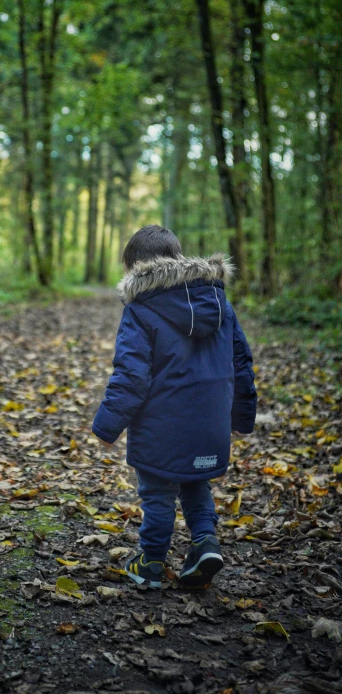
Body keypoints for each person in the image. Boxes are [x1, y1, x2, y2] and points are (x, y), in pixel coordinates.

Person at [92, 225, 257, 589]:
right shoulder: (219, 303)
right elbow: (241, 363)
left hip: (160, 426)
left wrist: (106, 427)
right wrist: (243, 417)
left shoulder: (140, 310)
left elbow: (131, 375)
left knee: (157, 493)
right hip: (209, 423)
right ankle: (205, 543)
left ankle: (150, 562)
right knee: (195, 483)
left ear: (134, 268)